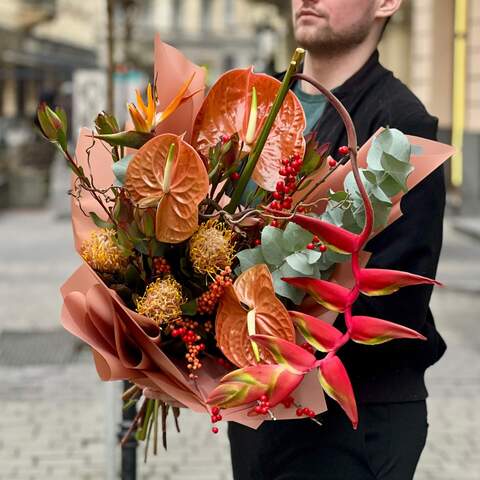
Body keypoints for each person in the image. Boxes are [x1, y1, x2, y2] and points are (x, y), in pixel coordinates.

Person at [227, 1, 447, 479]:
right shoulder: (256, 110)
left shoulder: (401, 128)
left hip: (352, 420)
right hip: (262, 414)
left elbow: (395, 305)